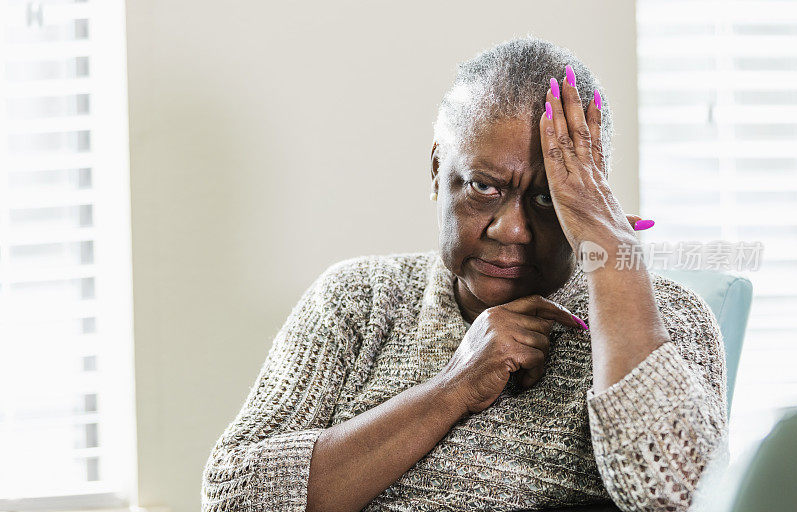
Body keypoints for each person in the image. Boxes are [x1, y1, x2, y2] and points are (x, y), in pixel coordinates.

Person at [201, 36, 729, 512]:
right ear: (437, 171)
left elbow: (679, 497)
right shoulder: (357, 299)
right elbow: (233, 497)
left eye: (547, 198)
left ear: (590, 190)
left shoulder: (669, 317)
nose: (512, 230)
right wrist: (456, 386)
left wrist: (611, 254)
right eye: (483, 186)